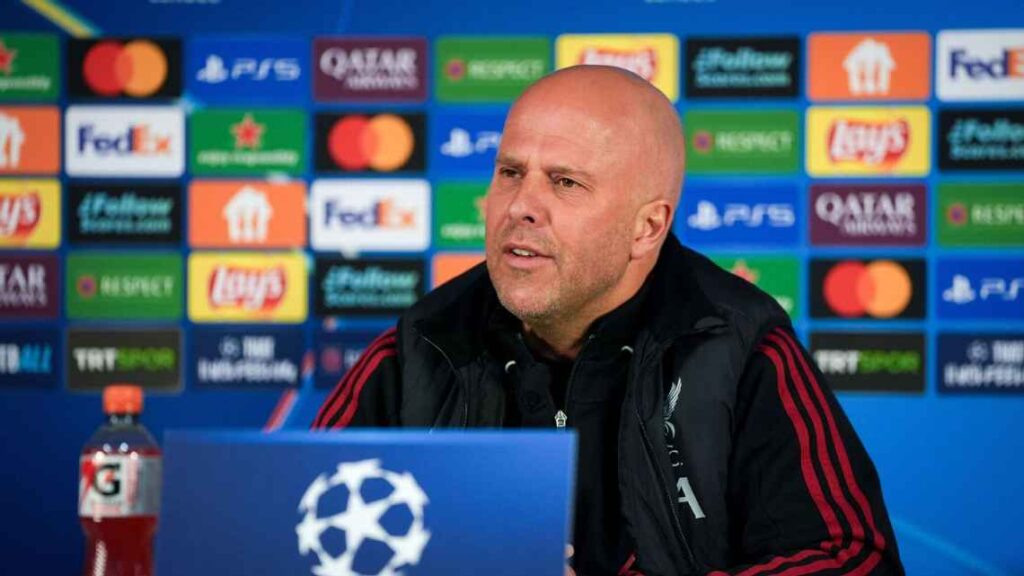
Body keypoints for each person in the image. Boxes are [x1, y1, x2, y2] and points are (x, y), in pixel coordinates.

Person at [312, 65, 903, 576]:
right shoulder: (425, 342)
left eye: (565, 183)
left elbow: (852, 558)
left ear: (647, 228)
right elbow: (288, 529)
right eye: (510, 173)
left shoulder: (735, 341)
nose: (520, 206)